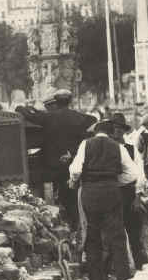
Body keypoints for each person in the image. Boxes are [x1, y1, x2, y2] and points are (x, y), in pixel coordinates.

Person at [68, 115, 132, 280]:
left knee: (92, 236)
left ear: (95, 132)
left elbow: (75, 170)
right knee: (117, 235)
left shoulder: (85, 144)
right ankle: (123, 279)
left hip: (90, 193)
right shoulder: (118, 147)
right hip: (112, 192)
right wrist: (114, 182)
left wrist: (76, 181)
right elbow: (132, 174)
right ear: (110, 133)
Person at [17, 88, 94, 230]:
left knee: (58, 193)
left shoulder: (48, 117)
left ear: (55, 102)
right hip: (72, 162)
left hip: (52, 164)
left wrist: (21, 107)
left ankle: (62, 220)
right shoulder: (78, 117)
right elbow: (92, 121)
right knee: (73, 193)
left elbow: (29, 115)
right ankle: (77, 222)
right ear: (70, 101)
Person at [109, 112, 148, 269]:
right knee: (114, 232)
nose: (117, 131)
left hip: (128, 192)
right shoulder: (107, 148)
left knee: (134, 228)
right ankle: (118, 267)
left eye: (120, 128)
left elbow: (139, 172)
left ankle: (140, 261)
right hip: (112, 193)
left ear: (124, 131)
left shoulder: (131, 149)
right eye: (114, 128)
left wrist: (137, 196)